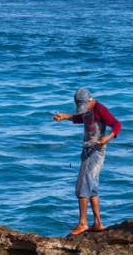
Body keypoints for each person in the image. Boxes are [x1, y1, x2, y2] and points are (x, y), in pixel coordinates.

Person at [52, 88, 121, 235]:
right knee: (92, 187)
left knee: (82, 186)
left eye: (84, 106)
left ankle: (83, 223)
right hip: (88, 150)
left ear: (90, 100)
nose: (83, 110)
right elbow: (80, 118)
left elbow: (117, 124)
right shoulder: (87, 109)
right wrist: (64, 117)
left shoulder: (100, 109)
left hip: (95, 151)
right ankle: (98, 223)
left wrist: (107, 138)